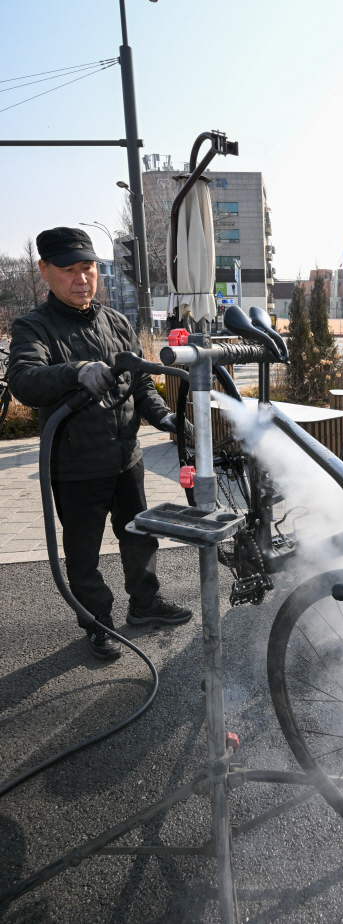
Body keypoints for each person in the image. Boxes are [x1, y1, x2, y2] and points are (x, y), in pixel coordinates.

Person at [8, 227, 192, 661]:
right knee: (83, 554)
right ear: (45, 271)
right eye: (68, 270)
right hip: (75, 466)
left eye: (87, 268)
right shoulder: (33, 326)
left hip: (126, 458)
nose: (81, 279)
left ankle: (145, 605)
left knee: (140, 536)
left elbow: (141, 382)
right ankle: (97, 621)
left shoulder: (117, 322)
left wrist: (164, 416)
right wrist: (75, 371)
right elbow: (24, 380)